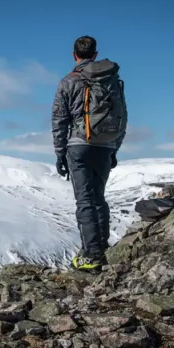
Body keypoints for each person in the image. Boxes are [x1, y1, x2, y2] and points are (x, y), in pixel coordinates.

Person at [50, 35, 127, 271]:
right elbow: (123, 116)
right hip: (104, 146)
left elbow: (59, 121)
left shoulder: (67, 81)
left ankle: (91, 257)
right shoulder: (112, 81)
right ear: (94, 54)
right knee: (99, 198)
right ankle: (101, 249)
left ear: (75, 55)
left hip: (78, 146)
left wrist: (60, 154)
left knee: (85, 200)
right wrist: (114, 147)